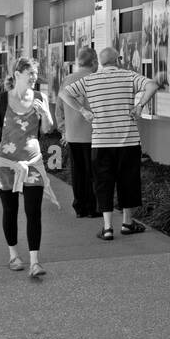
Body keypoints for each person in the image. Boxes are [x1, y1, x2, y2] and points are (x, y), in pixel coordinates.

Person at [60, 46, 159, 240]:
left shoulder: (90, 80)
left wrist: (83, 110)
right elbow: (153, 85)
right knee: (128, 180)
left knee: (103, 182)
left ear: (101, 62)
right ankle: (127, 223)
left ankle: (107, 228)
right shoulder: (129, 76)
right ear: (118, 60)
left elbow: (64, 94)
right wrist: (139, 106)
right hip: (127, 140)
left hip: (101, 141)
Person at [0, 58, 60, 278]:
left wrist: (45, 114)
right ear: (17, 73)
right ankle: (13, 255)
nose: (33, 77)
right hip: (6, 163)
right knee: (10, 210)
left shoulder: (41, 97)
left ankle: (34, 261)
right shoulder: (1, 100)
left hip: (32, 164)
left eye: (35, 73)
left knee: (33, 212)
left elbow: (48, 130)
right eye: (30, 73)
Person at [59, 47, 101, 218]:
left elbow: (59, 108)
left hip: (73, 134)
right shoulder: (97, 79)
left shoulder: (67, 80)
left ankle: (80, 207)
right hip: (94, 134)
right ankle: (93, 207)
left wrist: (63, 129)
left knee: (77, 172)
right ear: (94, 62)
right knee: (94, 172)